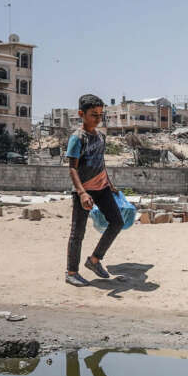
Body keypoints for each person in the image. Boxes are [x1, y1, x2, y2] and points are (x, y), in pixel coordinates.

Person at [64, 94, 123, 287]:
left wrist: (110, 183)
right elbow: (73, 168)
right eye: (93, 115)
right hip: (84, 191)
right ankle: (72, 272)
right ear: (82, 114)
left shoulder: (101, 136)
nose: (98, 119)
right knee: (77, 233)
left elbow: (101, 162)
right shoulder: (77, 138)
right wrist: (81, 193)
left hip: (102, 188)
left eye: (100, 115)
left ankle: (95, 260)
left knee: (117, 222)